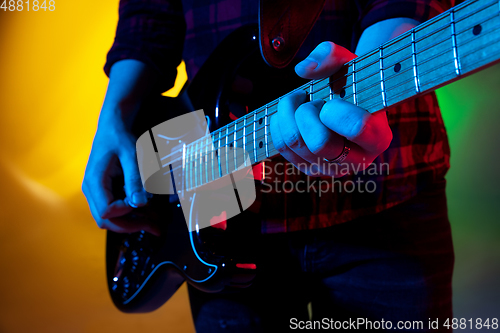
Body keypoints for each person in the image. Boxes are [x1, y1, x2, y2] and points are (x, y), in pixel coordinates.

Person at [82, 0, 455, 331]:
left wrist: (373, 76)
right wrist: (114, 114)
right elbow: (148, 14)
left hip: (388, 195)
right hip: (215, 215)